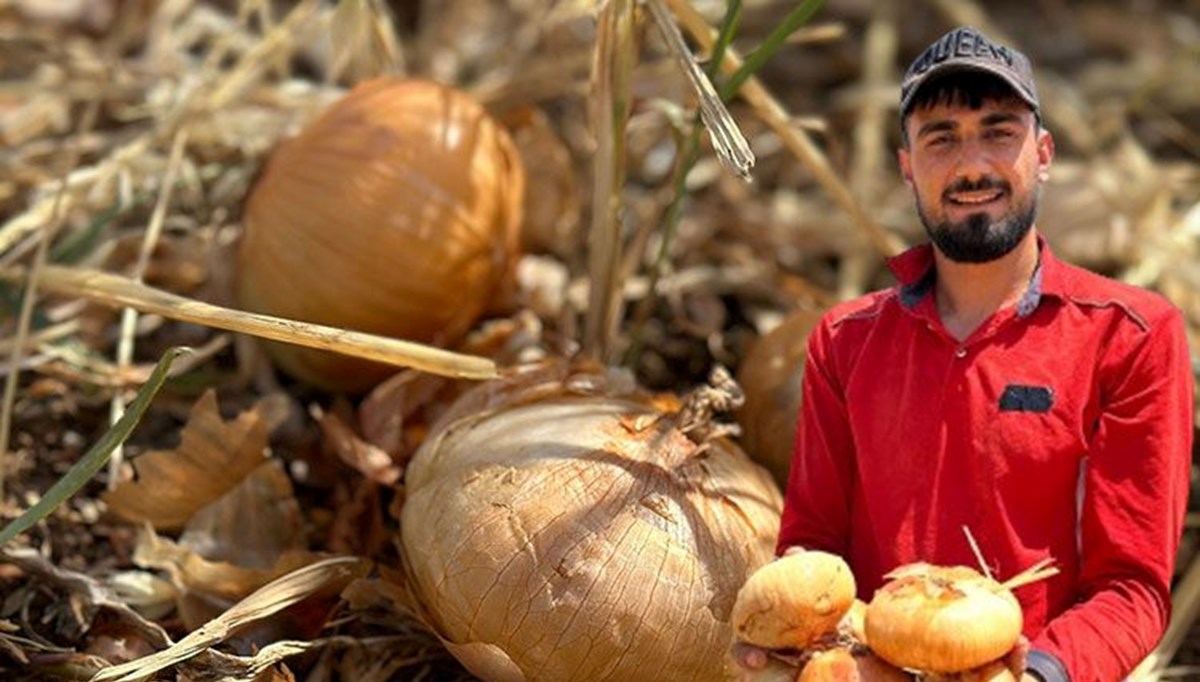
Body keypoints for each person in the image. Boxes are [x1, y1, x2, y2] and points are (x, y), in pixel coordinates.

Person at [735, 25, 1194, 682]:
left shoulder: (1132, 336)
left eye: (998, 131)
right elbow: (815, 550)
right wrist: (790, 637)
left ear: (1043, 153)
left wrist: (1035, 671)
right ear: (907, 166)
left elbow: (1131, 588)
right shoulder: (843, 341)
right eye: (941, 138)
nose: (971, 164)